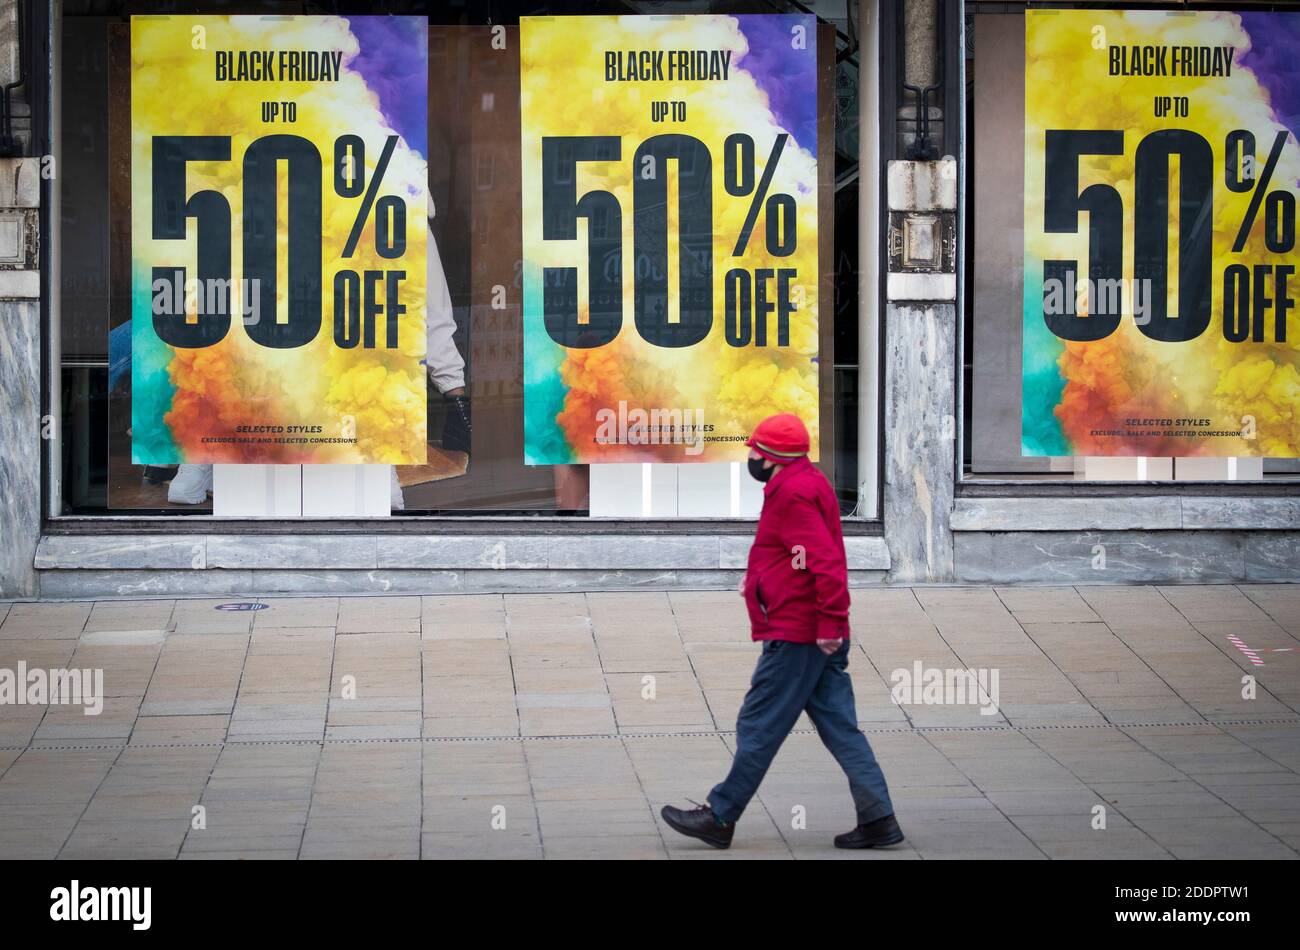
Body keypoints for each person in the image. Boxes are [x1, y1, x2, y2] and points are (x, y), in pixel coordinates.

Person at [661, 413, 902, 851]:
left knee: (759, 724)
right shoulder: (804, 481)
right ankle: (879, 818)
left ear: (771, 458)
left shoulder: (791, 492)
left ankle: (720, 815)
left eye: (756, 450)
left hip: (800, 636)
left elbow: (823, 561)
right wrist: (757, 581)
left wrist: (830, 623)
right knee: (841, 728)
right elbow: (793, 554)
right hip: (810, 630)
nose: (750, 456)